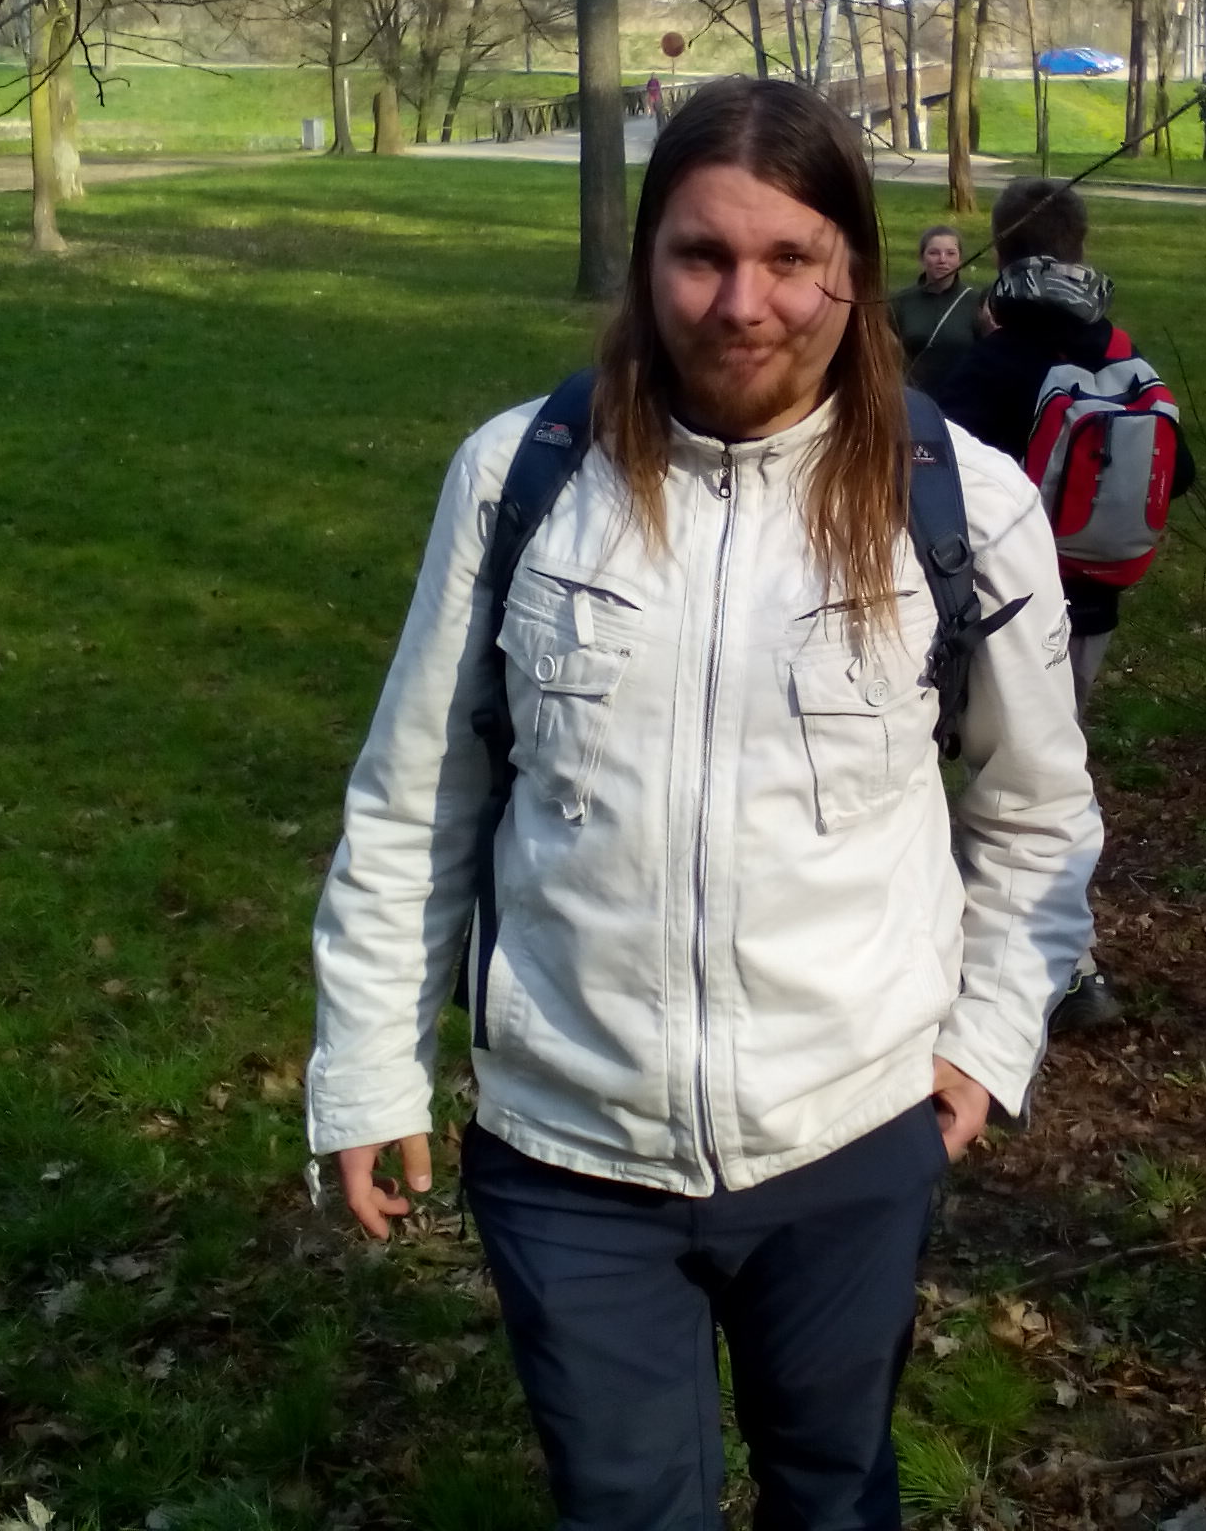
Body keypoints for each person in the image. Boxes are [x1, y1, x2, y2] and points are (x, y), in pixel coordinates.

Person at [306, 77, 1098, 1530]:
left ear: (854, 269)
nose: (744, 304)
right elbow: (418, 795)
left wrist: (986, 1042)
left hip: (851, 1133)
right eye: (701, 255)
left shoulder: (964, 504)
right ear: (645, 260)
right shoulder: (521, 481)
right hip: (570, 1144)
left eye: (791, 258)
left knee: (834, 1493)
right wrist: (366, 1064)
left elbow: (1038, 809)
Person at [933, 177, 1193, 1033]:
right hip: (1093, 611)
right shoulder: (1119, 354)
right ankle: (1068, 964)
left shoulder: (998, 361)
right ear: (1080, 249)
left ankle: (1029, 964)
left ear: (1002, 247)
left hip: (996, 613)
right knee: (1054, 773)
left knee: (999, 783)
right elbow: (1180, 473)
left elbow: (928, 466)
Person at [888, 224, 983, 394]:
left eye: (950, 253)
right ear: (922, 258)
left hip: (960, 399)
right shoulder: (900, 301)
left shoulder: (976, 302)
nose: (942, 260)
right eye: (934, 253)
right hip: (912, 397)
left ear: (960, 260)